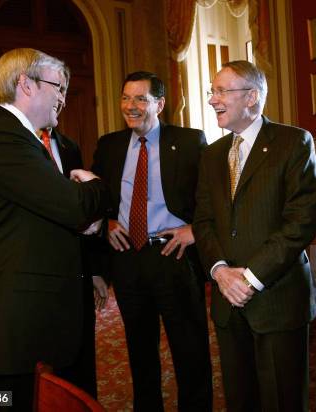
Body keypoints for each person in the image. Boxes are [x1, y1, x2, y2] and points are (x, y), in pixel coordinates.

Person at [0, 48, 107, 410]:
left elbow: (50, 214)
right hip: (8, 329)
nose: (64, 98)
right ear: (26, 84)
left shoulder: (17, 137)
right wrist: (96, 185)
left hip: (26, 324)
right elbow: (73, 205)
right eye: (59, 87)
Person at [193, 60, 316, 411]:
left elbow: (300, 224)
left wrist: (248, 278)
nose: (212, 99)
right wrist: (220, 271)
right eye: (212, 91)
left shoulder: (294, 142)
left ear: (251, 97)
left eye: (221, 91)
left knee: (283, 401)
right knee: (240, 399)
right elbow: (203, 221)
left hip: (277, 301)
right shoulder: (212, 154)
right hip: (226, 303)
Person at [90, 71, 211, 411]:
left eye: (141, 99)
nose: (131, 106)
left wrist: (194, 230)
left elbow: (211, 198)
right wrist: (107, 222)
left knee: (190, 350)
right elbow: (95, 197)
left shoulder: (189, 142)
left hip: (174, 256)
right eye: (126, 98)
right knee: (139, 351)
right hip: (128, 257)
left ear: (159, 104)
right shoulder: (109, 145)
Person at [36, 71, 109, 397]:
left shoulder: (68, 146)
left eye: (66, 91)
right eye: (57, 90)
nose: (63, 99)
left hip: (75, 276)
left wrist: (93, 270)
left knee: (79, 368)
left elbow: (83, 213)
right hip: (36, 280)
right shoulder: (15, 148)